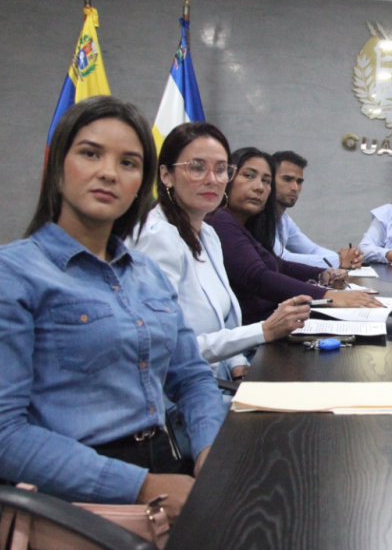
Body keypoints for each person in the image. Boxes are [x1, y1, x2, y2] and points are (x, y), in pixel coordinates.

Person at [0, 96, 224, 521]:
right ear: (58, 165)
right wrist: (142, 487)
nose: (109, 173)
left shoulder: (148, 274)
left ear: (142, 183)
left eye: (129, 163)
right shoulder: (5, 276)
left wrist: (209, 449)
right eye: (90, 154)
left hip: (172, 468)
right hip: (76, 501)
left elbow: (191, 377)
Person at [129, 124, 311, 383]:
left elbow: (224, 321)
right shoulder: (156, 237)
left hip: (218, 381)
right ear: (166, 175)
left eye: (221, 169)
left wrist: (238, 365)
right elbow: (162, 349)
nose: (212, 179)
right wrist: (264, 330)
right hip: (177, 394)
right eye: (197, 167)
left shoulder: (207, 234)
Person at [206, 147, 380, 325]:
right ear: (227, 178)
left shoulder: (249, 223)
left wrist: (322, 274)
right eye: (248, 176)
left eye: (266, 181)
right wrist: (328, 296)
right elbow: (257, 276)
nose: (259, 187)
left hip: (272, 320)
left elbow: (279, 264)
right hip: (255, 332)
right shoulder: (219, 220)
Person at [271, 150, 363, 270]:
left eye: (299, 182)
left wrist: (345, 258)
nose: (295, 188)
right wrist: (339, 260)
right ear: (269, 179)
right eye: (287, 179)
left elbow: (312, 250)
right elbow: (281, 259)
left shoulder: (284, 219)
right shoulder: (259, 216)